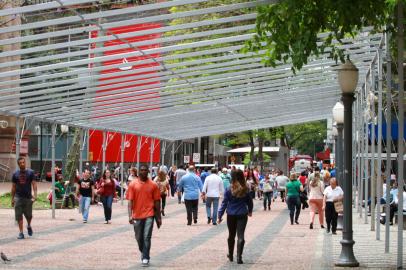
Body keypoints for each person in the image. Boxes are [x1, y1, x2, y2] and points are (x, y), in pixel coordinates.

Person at [127, 165, 162, 267]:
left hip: (149, 214)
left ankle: (145, 257)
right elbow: (130, 201)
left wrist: (158, 218)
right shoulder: (133, 184)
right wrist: (130, 215)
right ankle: (144, 252)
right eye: (141, 170)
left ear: (148, 171)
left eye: (145, 170)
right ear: (139, 172)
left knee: (147, 236)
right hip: (137, 215)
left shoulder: (153, 185)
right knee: (139, 237)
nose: (143, 172)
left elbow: (157, 202)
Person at [218, 169, 253, 264]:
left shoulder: (229, 188)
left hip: (231, 214)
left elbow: (224, 203)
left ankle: (230, 255)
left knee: (231, 235)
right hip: (242, 213)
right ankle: (239, 257)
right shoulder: (245, 188)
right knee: (241, 235)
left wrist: (219, 215)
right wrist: (250, 211)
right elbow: (249, 201)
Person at [11, 157, 37, 239]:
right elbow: (13, 187)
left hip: (28, 197)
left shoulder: (31, 172)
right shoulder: (15, 174)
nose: (22, 164)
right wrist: (12, 199)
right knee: (19, 216)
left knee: (29, 216)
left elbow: (34, 184)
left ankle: (29, 225)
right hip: (18, 197)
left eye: (23, 162)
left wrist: (35, 195)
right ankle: (21, 233)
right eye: (21, 163)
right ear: (18, 164)